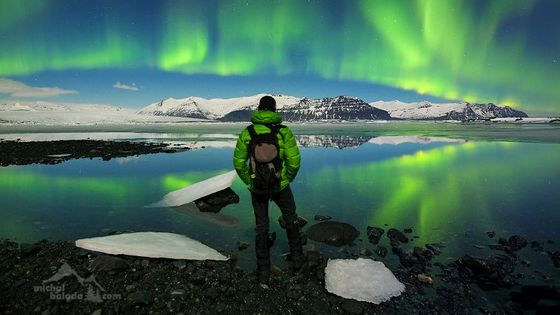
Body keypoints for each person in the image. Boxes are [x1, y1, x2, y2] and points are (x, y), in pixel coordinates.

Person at [233, 95, 304, 285]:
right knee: (291, 219)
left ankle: (263, 269)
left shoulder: (248, 132)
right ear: (274, 110)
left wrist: (251, 180)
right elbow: (294, 161)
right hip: (280, 185)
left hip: (257, 187)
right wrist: (285, 179)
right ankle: (297, 260)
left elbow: (238, 162)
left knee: (261, 226)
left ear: (259, 109)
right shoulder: (283, 131)